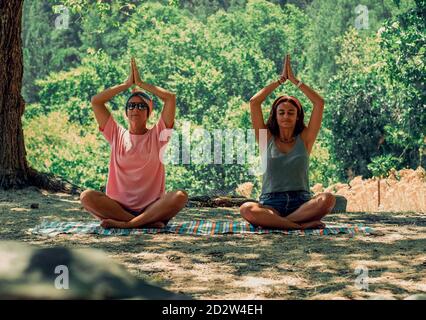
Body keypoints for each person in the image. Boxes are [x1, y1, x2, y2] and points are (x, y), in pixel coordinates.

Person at [80, 58, 188, 229]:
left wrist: (141, 83)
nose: (134, 109)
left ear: (148, 112)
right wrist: (126, 85)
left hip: (152, 208)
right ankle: (141, 223)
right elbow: (96, 101)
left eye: (140, 106)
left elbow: (170, 98)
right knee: (86, 196)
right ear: (126, 112)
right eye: (130, 106)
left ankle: (128, 224)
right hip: (117, 208)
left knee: (180, 195)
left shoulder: (159, 135)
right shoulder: (116, 134)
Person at [239, 54, 336, 230]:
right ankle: (298, 226)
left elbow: (319, 103)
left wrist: (295, 81)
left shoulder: (305, 139)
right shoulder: (265, 139)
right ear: (275, 116)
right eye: (281, 112)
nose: (286, 116)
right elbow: (254, 103)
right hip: (271, 204)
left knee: (327, 199)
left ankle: (283, 224)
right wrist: (280, 81)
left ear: (297, 116)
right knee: (247, 209)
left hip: (301, 204)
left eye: (291, 112)